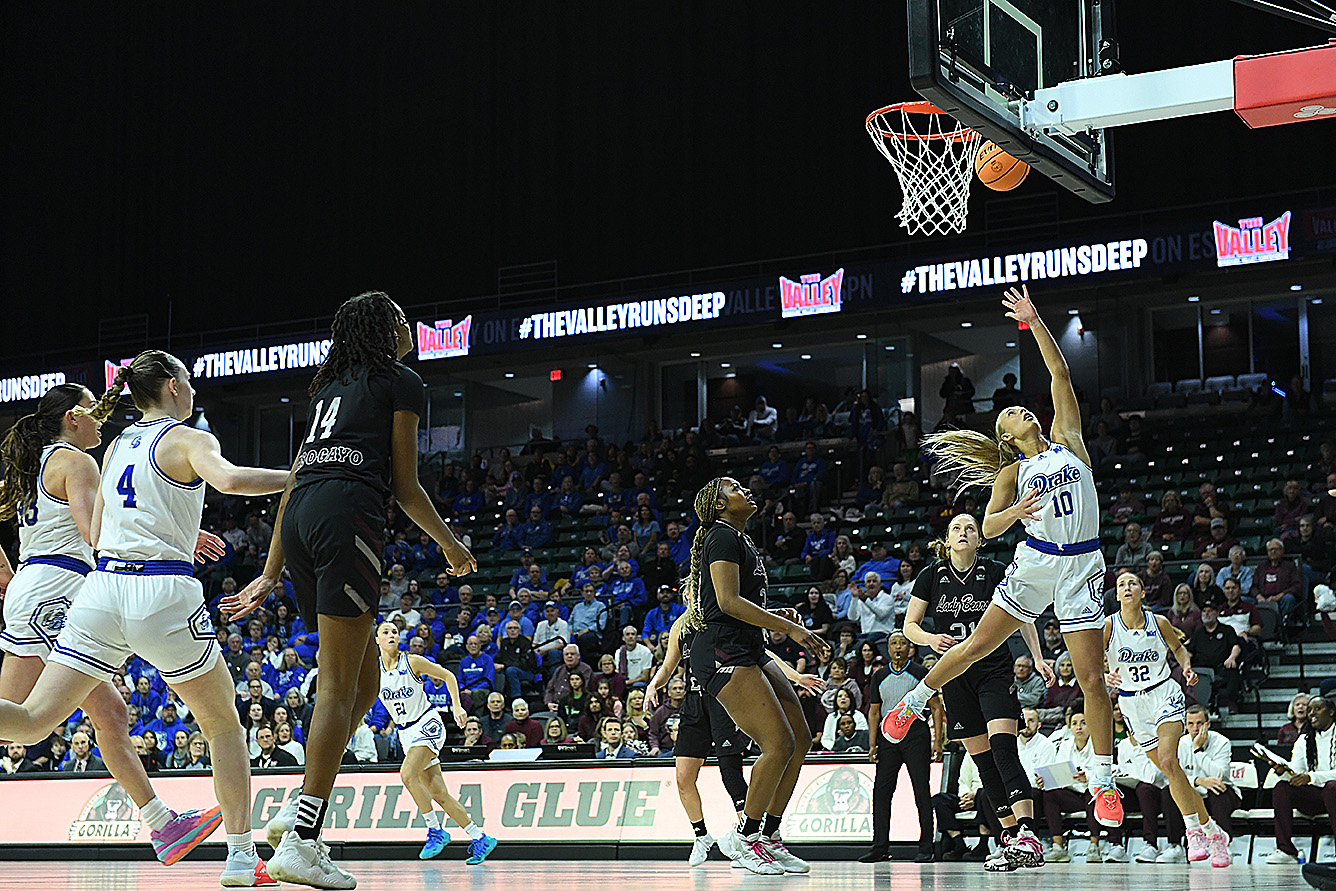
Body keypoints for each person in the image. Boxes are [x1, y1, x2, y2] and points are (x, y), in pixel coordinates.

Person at [0, 353, 295, 885]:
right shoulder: (188, 438)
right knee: (222, 720)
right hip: (156, 592)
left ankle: (165, 824)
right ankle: (237, 854)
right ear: (172, 388)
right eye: (187, 380)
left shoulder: (115, 446)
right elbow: (228, 482)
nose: (192, 389)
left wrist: (180, 535)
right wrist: (299, 478)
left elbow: (123, 519)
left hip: (100, 592)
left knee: (34, 719)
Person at [224, 292, 476, 889]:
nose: (409, 324)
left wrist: (270, 569)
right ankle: (304, 841)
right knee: (340, 686)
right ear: (385, 329)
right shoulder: (402, 380)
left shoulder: (327, 388)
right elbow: (408, 487)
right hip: (347, 515)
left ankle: (296, 806)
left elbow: (295, 481)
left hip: (304, 515)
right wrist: (449, 544)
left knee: (363, 682)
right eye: (400, 316)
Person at [883, 287, 1123, 831]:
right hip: (1036, 562)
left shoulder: (1068, 441)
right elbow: (989, 527)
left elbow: (1060, 374)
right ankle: (913, 705)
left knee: (1090, 679)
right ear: (1007, 437)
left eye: (1020, 406)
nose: (1020, 409)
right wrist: (1016, 510)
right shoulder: (1012, 474)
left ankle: (1104, 784)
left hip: (1082, 566)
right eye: (1012, 413)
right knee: (978, 645)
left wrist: (1036, 322)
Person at [682, 476, 831, 875]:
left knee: (800, 739)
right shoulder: (720, 536)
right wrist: (791, 630)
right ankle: (745, 837)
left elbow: (739, 601)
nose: (744, 489)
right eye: (733, 488)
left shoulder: (741, 538)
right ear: (718, 504)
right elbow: (727, 603)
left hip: (748, 645)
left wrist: (777, 615)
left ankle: (769, 835)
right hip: (722, 651)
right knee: (777, 743)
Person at [901, 513, 1055, 870]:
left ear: (979, 539)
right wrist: (929, 638)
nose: (964, 532)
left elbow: (1025, 616)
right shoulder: (930, 576)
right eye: (957, 528)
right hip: (954, 674)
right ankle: (1010, 838)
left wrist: (1037, 657)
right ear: (948, 539)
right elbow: (909, 626)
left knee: (1003, 746)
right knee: (984, 762)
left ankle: (1028, 832)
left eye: (971, 527)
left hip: (993, 668)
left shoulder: (997, 571)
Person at [1105, 572, 1231, 866]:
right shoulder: (1109, 626)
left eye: (1132, 583)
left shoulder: (1159, 622)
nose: (1127, 587)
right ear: (1117, 593)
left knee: (1168, 760)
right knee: (1174, 774)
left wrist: (1186, 667)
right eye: (1121, 584)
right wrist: (1105, 672)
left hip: (1163, 694)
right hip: (1132, 703)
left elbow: (1177, 648)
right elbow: (1095, 656)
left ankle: (1192, 831)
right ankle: (1213, 832)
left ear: (1142, 591)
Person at [372, 622, 496, 863]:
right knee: (439, 794)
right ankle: (480, 838)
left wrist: (457, 706)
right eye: (385, 632)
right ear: (376, 640)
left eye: (395, 632)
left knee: (408, 775)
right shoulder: (374, 671)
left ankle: (435, 831)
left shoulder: (412, 661)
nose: (391, 635)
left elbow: (448, 675)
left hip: (427, 723)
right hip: (405, 732)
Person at [863, 632, 943, 863]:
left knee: (921, 791)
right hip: (888, 738)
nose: (898, 647)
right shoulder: (879, 675)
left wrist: (937, 741)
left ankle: (926, 847)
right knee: (881, 793)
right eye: (894, 643)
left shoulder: (920, 672)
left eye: (903, 643)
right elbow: (874, 711)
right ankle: (880, 847)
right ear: (887, 648)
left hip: (916, 735)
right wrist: (872, 744)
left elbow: (936, 708)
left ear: (911, 648)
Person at [1267, 696, 1336, 864]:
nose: (1311, 714)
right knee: (1282, 788)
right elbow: (1296, 771)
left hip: (1333, 793)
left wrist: (1311, 777)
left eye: (1317, 709)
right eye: (1310, 710)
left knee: (1331, 787)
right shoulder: (1304, 739)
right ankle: (1286, 850)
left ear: (1332, 712)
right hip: (1315, 797)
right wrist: (1282, 771)